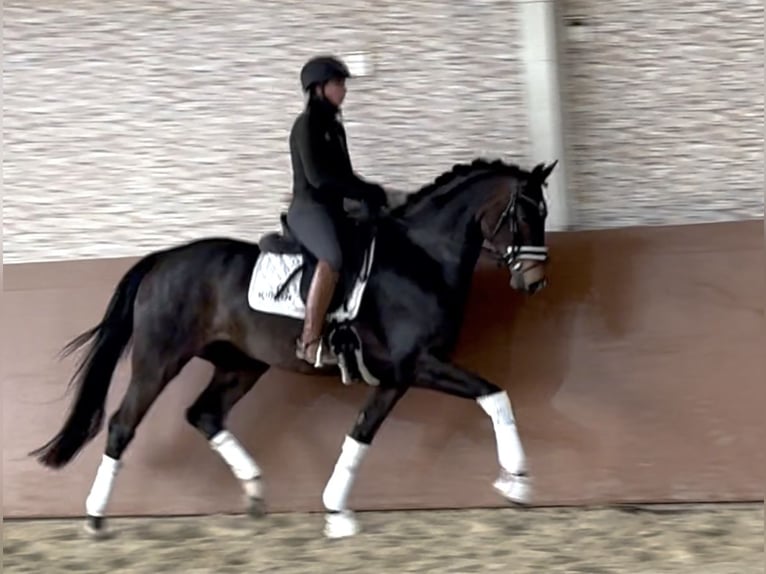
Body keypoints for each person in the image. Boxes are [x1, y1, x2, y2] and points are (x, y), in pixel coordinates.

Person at [286, 55, 388, 367]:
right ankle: (310, 341)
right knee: (332, 258)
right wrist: (360, 191)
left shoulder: (336, 129)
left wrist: (372, 192)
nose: (344, 90)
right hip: (309, 209)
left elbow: (345, 175)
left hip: (333, 209)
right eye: (338, 84)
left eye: (343, 84)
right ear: (318, 89)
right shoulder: (306, 126)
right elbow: (319, 178)